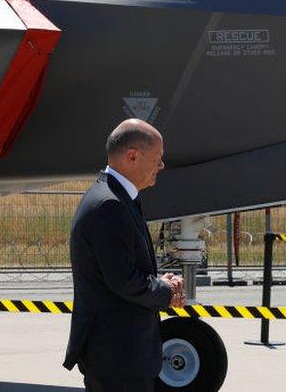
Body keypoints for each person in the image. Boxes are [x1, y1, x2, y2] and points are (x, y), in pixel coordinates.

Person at [63, 118, 185, 391]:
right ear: (132, 156)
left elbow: (121, 270)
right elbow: (123, 280)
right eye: (157, 158)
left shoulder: (117, 197)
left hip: (122, 353)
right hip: (117, 354)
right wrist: (165, 291)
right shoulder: (109, 205)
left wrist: (158, 282)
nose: (162, 166)